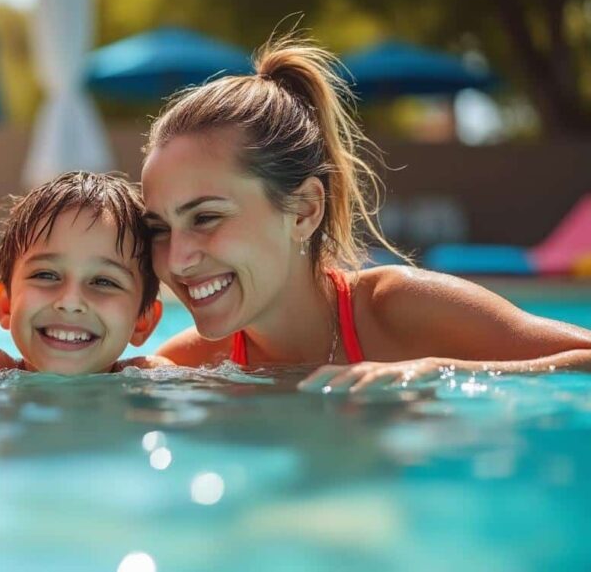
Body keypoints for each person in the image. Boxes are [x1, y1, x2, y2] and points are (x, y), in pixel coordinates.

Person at [139, 35, 591, 392]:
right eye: (160, 228)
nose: (177, 259)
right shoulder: (189, 365)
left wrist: (444, 371)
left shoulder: (397, 312)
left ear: (304, 210)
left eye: (205, 218)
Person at [0, 171, 167, 375]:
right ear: (5, 304)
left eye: (103, 281)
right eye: (46, 275)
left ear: (143, 320)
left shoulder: (154, 383)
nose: (70, 302)